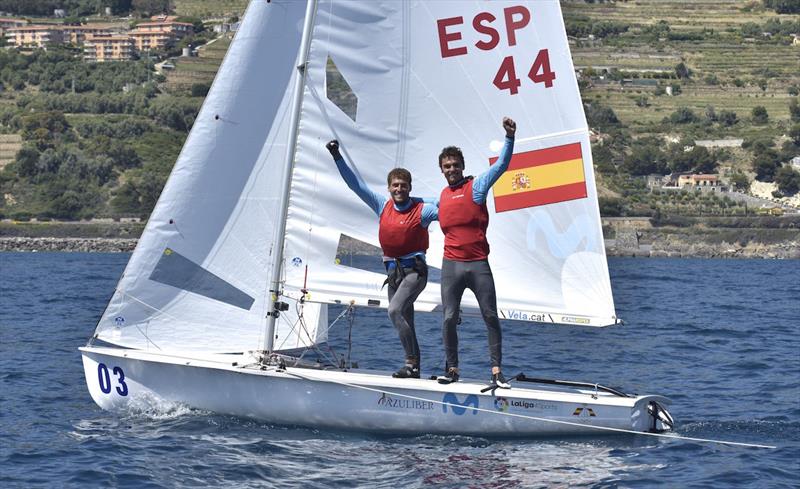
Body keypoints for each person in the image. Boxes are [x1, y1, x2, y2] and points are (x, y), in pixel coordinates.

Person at [325, 140, 437, 379]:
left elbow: (447, 207)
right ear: (389, 188)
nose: (399, 189)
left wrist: (467, 191)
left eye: (404, 186)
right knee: (406, 319)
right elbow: (355, 185)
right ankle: (414, 368)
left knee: (394, 311)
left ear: (410, 187)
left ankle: (410, 361)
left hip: (415, 273)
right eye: (395, 185)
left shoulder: (423, 210)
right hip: (393, 274)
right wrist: (336, 155)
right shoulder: (381, 205)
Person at [436, 117, 517, 388]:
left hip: (478, 265)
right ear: (442, 170)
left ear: (462, 167)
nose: (452, 170)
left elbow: (502, 166)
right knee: (448, 318)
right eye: (447, 166)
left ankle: (496, 371)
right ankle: (452, 369)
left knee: (490, 315)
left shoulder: (477, 187)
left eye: (456, 165)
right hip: (452, 266)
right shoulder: (440, 198)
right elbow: (407, 207)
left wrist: (509, 137)